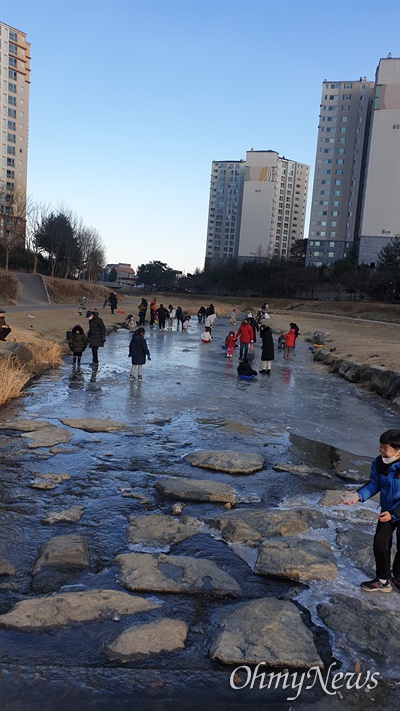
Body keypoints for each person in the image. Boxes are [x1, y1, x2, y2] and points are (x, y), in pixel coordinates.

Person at [342, 430, 400, 594]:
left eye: (386, 448)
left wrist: (394, 513)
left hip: (397, 510)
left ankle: (399, 577)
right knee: (380, 544)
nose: (381, 451)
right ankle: (383, 580)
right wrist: (358, 495)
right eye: (380, 447)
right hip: (387, 511)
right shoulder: (379, 463)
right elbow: (374, 484)